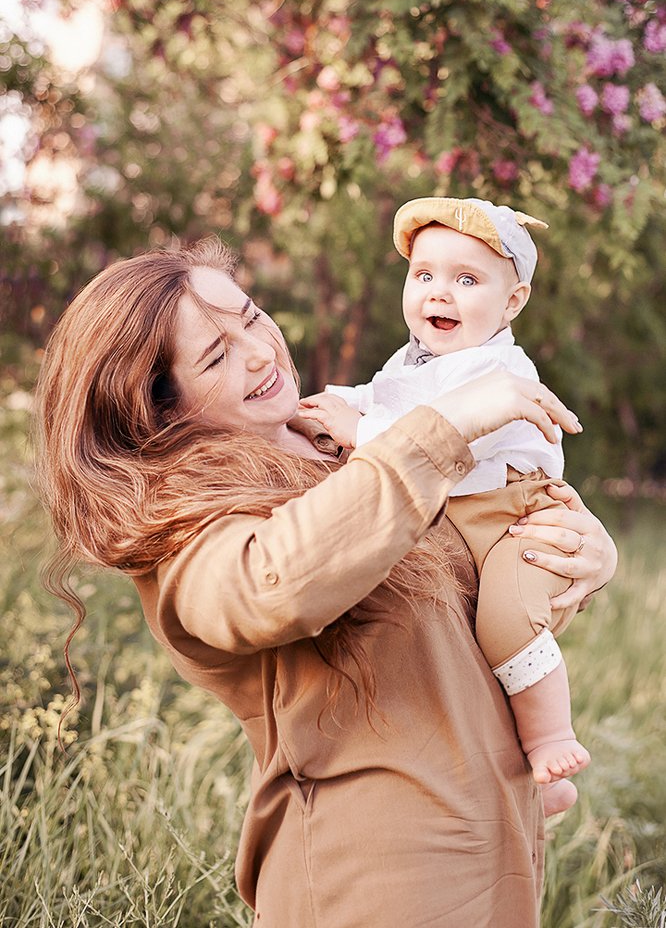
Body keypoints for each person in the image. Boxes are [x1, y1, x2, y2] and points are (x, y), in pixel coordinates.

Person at [35, 237, 616, 928]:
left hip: (490, 854)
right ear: (158, 409)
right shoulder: (189, 526)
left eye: (250, 317)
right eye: (216, 356)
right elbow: (273, 586)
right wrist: (449, 422)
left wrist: (580, 554)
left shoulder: (342, 439)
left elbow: (458, 629)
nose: (258, 353)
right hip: (373, 878)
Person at [299, 196, 593, 816]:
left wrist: (360, 430)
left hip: (512, 518)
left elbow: (451, 435)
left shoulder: (497, 366)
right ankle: (527, 784)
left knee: (505, 621)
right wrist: (332, 405)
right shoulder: (414, 359)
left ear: (512, 302)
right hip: (465, 511)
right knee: (469, 655)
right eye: (424, 274)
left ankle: (551, 737)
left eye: (467, 279)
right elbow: (384, 399)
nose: (440, 293)